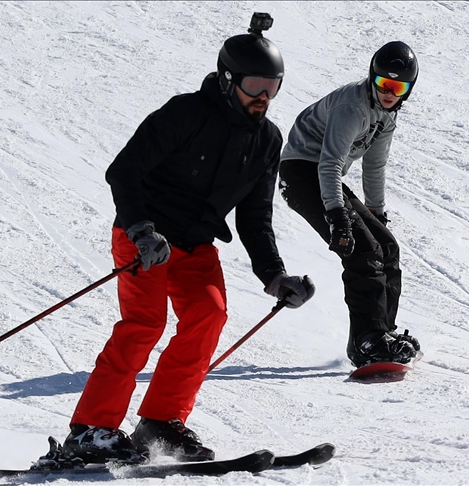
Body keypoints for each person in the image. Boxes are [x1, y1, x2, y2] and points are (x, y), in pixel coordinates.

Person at [63, 14, 315, 465]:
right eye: (254, 85)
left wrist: (275, 276)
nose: (263, 97)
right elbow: (124, 171)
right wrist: (141, 230)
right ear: (227, 79)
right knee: (144, 324)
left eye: (272, 87)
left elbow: (255, 216)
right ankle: (91, 431)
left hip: (196, 244)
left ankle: (159, 422)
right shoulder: (185, 113)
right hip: (148, 237)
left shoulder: (266, 140)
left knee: (209, 314)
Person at [277, 41, 421, 369]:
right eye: (383, 83)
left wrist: (377, 212)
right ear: (372, 78)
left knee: (386, 245)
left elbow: (374, 166)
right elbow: (329, 163)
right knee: (362, 249)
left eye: (398, 87)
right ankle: (367, 340)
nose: (389, 92)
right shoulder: (353, 107)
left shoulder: (387, 115)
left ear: (408, 90)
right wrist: (337, 214)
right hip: (301, 173)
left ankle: (382, 333)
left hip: (322, 176)